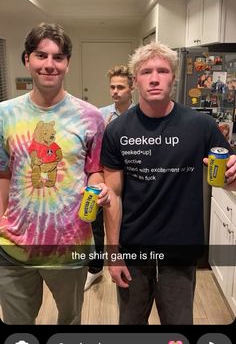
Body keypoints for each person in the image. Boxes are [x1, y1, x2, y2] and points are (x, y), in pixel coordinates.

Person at [101, 41, 236, 325]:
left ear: (173, 77)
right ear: (135, 80)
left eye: (162, 71)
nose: (154, 78)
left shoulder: (200, 126)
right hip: (133, 251)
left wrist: (232, 178)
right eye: (146, 71)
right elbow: (113, 195)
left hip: (180, 252)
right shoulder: (117, 130)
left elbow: (229, 180)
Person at [0, 22, 110, 325]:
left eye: (58, 57)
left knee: (70, 321)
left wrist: (99, 187)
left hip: (69, 245)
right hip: (13, 246)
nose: (49, 64)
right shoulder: (4, 114)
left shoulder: (91, 117)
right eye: (41, 55)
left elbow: (94, 170)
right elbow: (2, 173)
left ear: (67, 64)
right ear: (27, 60)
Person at [84, 64, 134, 290]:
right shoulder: (101, 115)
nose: (115, 91)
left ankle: (128, 263)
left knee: (124, 222)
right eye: (112, 87)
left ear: (131, 88)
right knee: (95, 225)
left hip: (132, 178)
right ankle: (94, 269)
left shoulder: (140, 115)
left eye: (121, 87)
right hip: (102, 176)